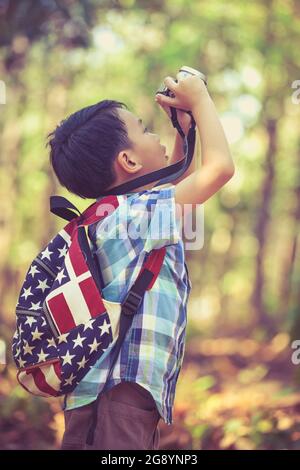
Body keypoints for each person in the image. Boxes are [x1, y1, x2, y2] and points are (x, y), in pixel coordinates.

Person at [47, 73, 235, 450]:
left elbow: (177, 186)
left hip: (111, 395)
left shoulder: (118, 215)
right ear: (128, 160)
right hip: (118, 397)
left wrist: (184, 132)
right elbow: (218, 171)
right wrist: (200, 100)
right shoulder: (135, 216)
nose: (154, 137)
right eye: (145, 129)